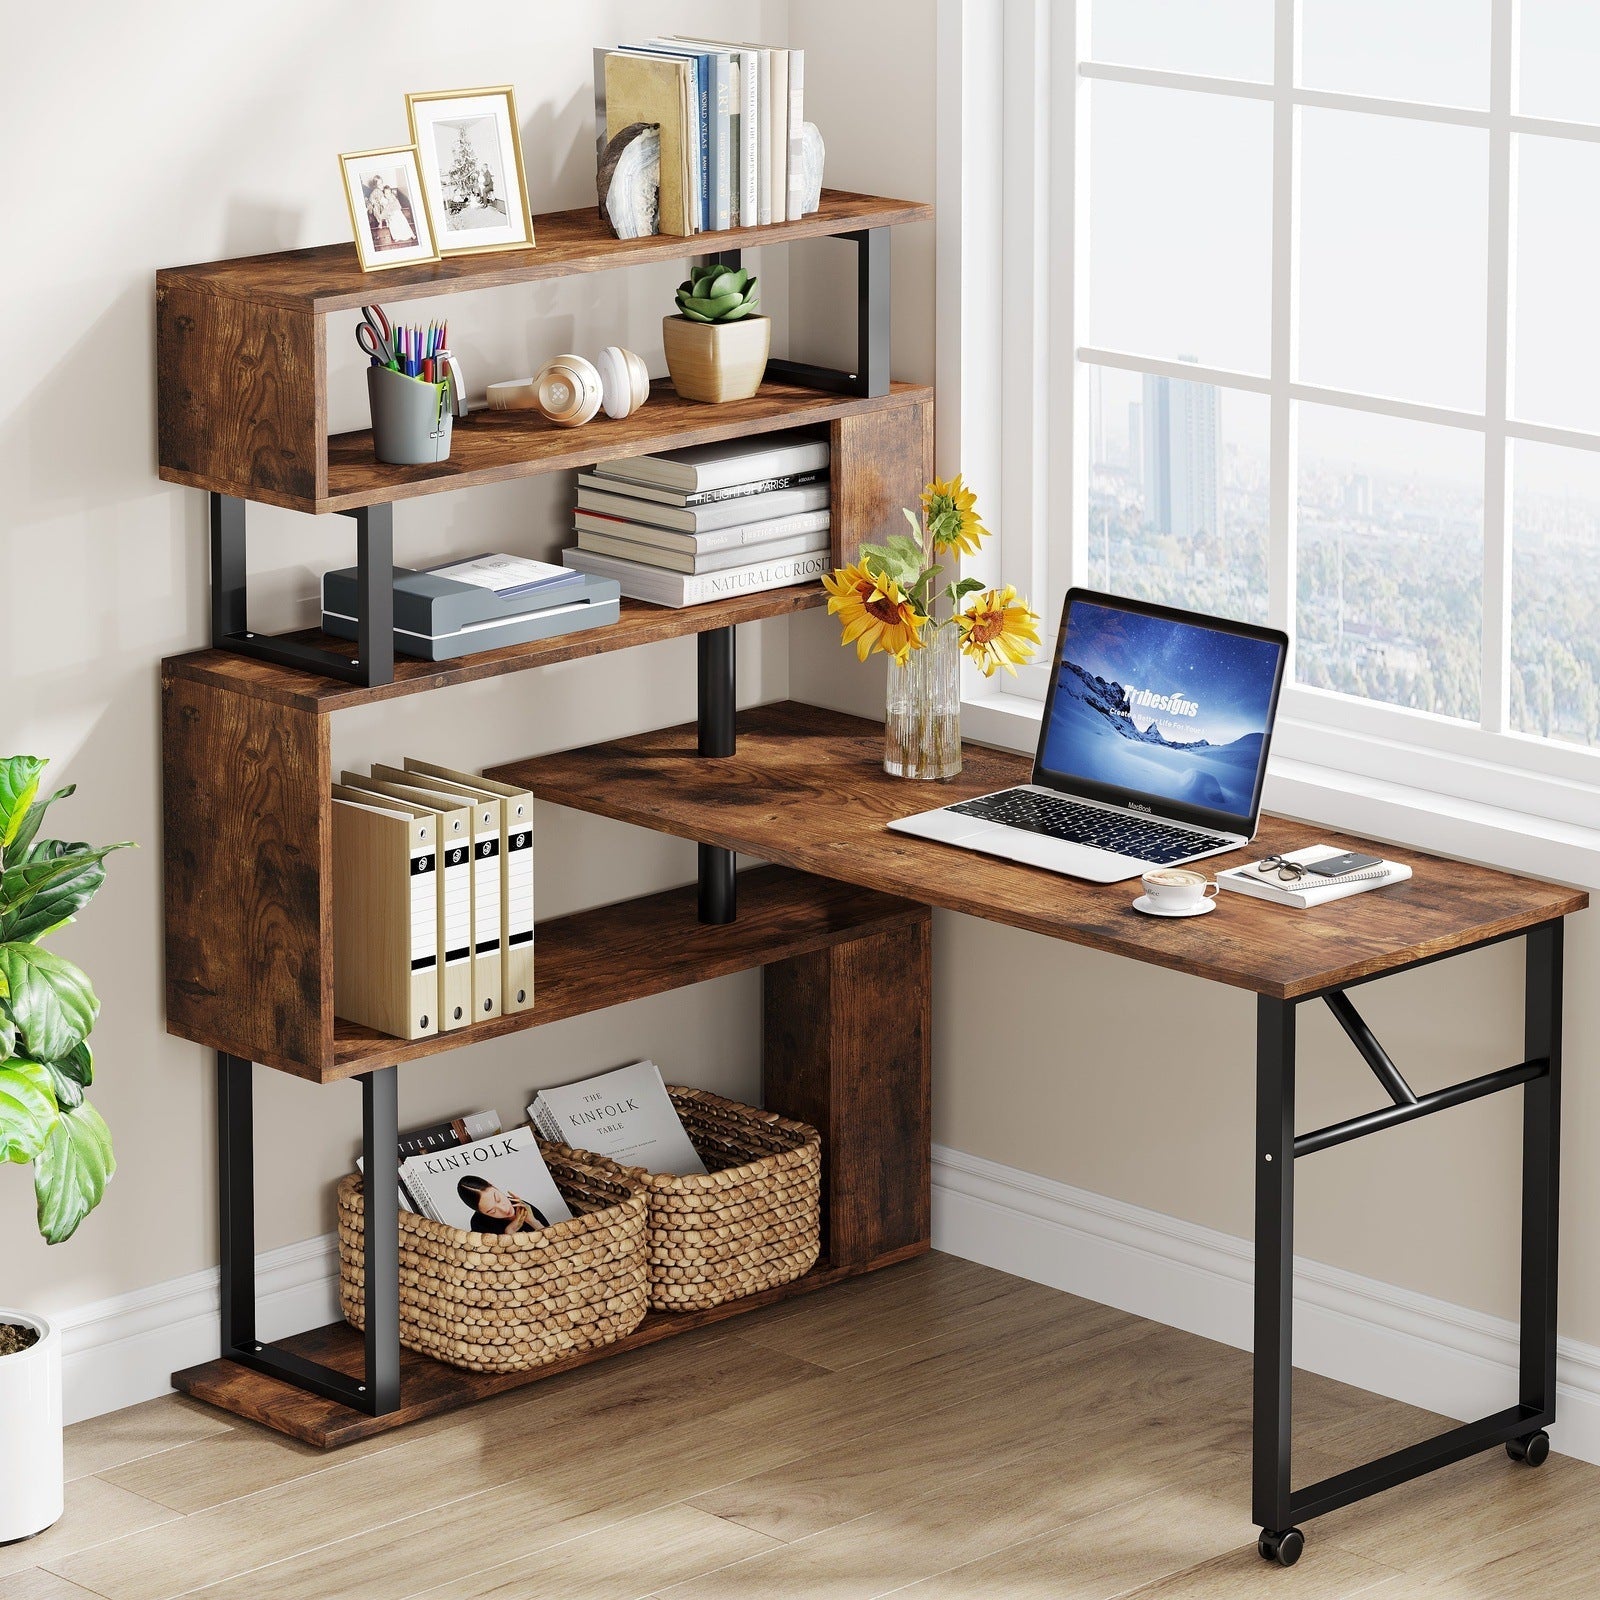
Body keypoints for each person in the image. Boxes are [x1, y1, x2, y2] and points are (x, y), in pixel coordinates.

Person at [458, 1174, 548, 1234]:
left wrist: (533, 1221)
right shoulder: (479, 1224)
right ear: (481, 1213)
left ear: (493, 1185)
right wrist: (509, 1231)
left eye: (498, 1199)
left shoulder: (521, 1206)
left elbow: (554, 1242)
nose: (504, 1209)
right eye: (492, 1211)